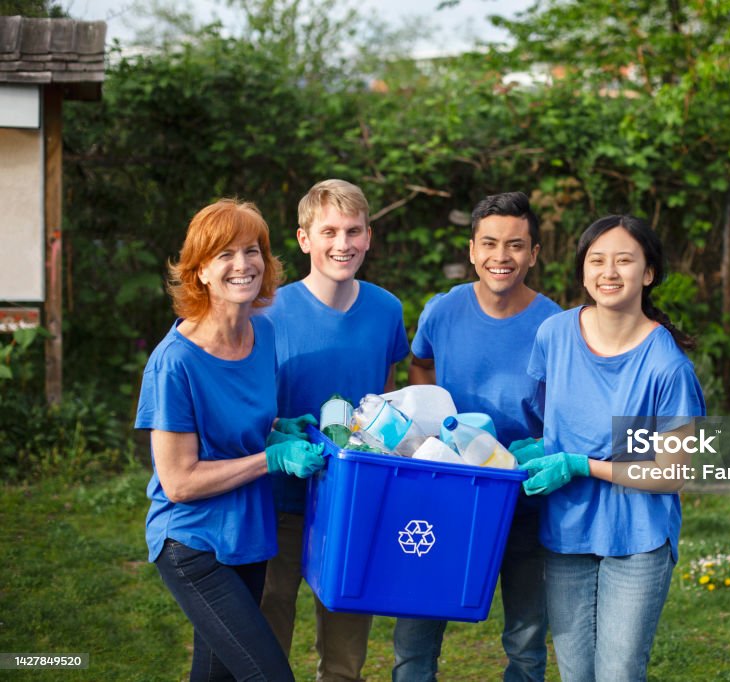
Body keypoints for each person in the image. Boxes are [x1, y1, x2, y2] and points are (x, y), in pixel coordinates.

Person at [137, 198, 327, 681]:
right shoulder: (174, 363)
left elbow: (242, 428)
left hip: (248, 534)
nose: (243, 265)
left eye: (252, 251)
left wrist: (278, 430)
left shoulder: (261, 334)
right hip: (192, 542)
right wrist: (272, 458)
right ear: (199, 271)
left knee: (217, 676)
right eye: (224, 255)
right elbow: (179, 481)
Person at [521, 214, 706, 682]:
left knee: (619, 673)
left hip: (638, 536)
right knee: (576, 673)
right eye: (596, 260)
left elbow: (671, 473)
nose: (609, 272)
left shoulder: (667, 367)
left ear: (648, 273)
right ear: (583, 271)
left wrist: (582, 464)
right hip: (566, 529)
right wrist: (539, 447)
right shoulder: (554, 336)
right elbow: (545, 417)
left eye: (624, 260)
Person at [393, 191, 561, 682]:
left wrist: (543, 449)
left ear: (533, 254)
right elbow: (420, 364)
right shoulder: (442, 312)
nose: (501, 257)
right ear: (472, 250)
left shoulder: (554, 326)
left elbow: (564, 409)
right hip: (442, 497)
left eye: (515, 245)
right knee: (414, 640)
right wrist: (431, 434)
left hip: (522, 500)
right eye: (489, 244)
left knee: (526, 642)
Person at [259, 179, 410, 682]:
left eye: (353, 231)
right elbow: (251, 408)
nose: (341, 243)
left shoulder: (387, 310)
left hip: (352, 499)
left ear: (369, 236)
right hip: (279, 496)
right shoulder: (268, 312)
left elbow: (384, 399)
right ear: (304, 239)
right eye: (328, 232)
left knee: (346, 642)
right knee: (268, 619)